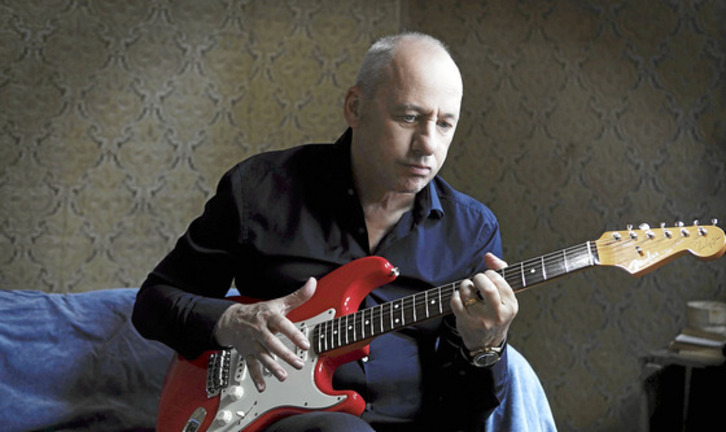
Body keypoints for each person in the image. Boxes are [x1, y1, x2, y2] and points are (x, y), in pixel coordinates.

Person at [133, 32, 518, 432]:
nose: (428, 145)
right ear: (355, 107)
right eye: (409, 118)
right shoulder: (260, 189)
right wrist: (230, 321)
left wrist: (485, 347)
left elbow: (465, 415)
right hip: (261, 419)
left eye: (444, 124)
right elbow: (154, 302)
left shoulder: (472, 230)